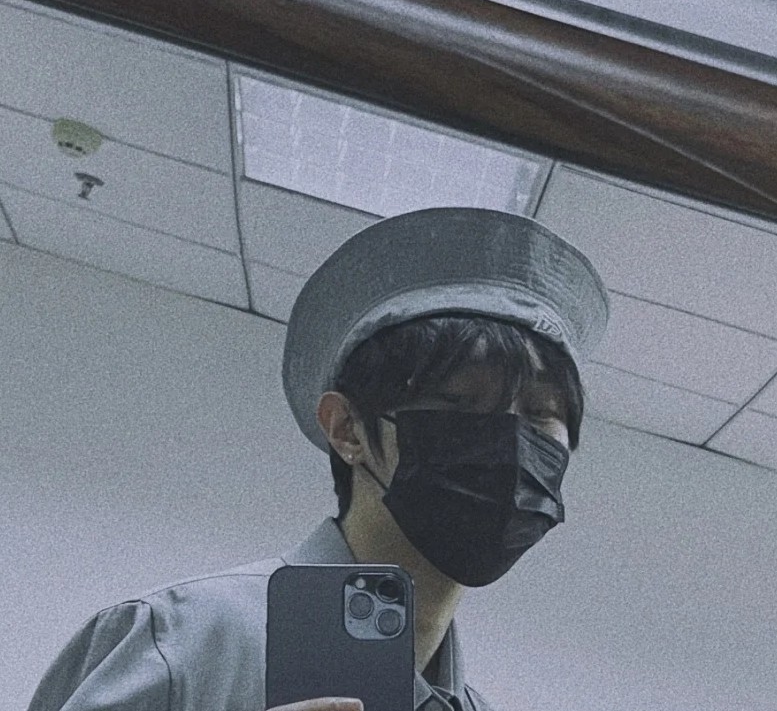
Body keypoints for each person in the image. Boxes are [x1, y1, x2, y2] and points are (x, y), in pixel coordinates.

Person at [27, 207, 609, 711]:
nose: (507, 443)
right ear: (347, 429)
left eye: (541, 414)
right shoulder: (181, 643)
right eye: (459, 403)